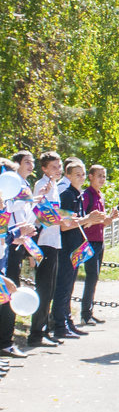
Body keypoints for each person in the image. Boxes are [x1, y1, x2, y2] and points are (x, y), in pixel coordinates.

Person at [52, 159, 104, 339]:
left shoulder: (78, 195)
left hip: (76, 246)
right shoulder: (67, 195)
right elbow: (65, 225)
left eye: (82, 174)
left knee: (70, 286)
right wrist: (87, 218)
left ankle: (67, 321)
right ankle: (59, 324)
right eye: (77, 175)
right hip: (66, 247)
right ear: (68, 176)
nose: (81, 178)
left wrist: (93, 219)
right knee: (63, 286)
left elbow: (80, 223)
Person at [1, 151, 39, 358]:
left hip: (6, 254)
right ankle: (5, 343)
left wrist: (19, 234)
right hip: (7, 254)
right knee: (7, 295)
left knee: (6, 297)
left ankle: (5, 343)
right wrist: (17, 232)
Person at [28, 151, 65, 347]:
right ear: (44, 169)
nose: (58, 170)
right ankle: (36, 334)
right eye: (54, 167)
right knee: (43, 289)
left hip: (54, 241)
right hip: (43, 242)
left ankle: (44, 329)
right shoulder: (42, 185)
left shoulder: (55, 186)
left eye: (59, 166)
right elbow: (38, 214)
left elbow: (56, 213)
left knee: (49, 289)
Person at [80, 164, 114, 324]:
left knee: (95, 277)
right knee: (91, 276)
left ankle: (89, 311)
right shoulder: (87, 195)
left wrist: (110, 219)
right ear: (91, 177)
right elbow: (84, 219)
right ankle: (85, 314)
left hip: (99, 240)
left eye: (104, 176)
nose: (102, 179)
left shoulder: (100, 195)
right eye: (99, 175)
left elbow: (102, 222)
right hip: (89, 241)